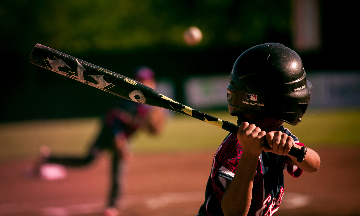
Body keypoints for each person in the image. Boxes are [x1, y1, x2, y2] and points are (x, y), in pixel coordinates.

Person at [197, 43, 321, 216]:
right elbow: (233, 212)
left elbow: (314, 164)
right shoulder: (235, 148)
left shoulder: (279, 133)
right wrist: (250, 154)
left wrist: (292, 149)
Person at [34, 66, 167, 216]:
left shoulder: (151, 103)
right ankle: (50, 158)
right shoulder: (129, 97)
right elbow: (114, 117)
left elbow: (150, 127)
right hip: (108, 133)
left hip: (124, 137)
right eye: (141, 79)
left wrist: (153, 125)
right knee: (87, 160)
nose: (145, 82)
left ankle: (112, 206)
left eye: (147, 79)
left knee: (119, 170)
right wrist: (119, 138)